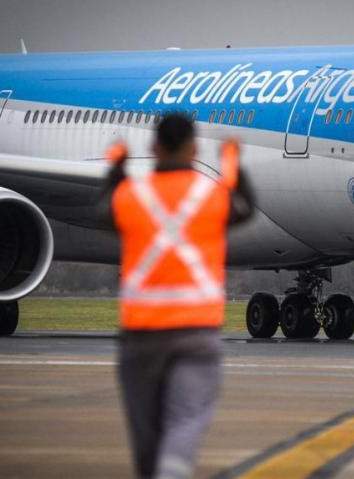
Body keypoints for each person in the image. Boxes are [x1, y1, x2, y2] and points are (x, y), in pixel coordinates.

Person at [101, 113, 253, 479]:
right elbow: (243, 205)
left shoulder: (131, 194)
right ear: (194, 148)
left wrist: (117, 166)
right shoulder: (211, 195)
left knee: (146, 437)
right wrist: (231, 161)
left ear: (153, 147)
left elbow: (104, 208)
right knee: (185, 421)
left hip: (141, 337)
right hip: (196, 333)